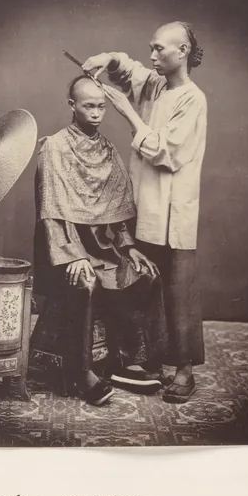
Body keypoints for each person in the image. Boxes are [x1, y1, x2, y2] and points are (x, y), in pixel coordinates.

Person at [81, 21, 208, 402]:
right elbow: (127, 68)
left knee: (177, 289)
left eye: (160, 49)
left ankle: (184, 370)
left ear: (182, 51)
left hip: (172, 208)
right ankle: (151, 362)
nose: (152, 56)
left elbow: (167, 153)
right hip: (144, 203)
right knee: (144, 284)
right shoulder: (154, 83)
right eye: (151, 48)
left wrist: (127, 113)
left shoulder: (193, 98)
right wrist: (107, 58)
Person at [31, 75, 161, 406]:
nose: (96, 113)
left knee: (145, 272)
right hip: (61, 248)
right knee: (85, 283)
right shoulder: (54, 148)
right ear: (72, 106)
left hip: (103, 247)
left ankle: (127, 360)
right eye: (89, 106)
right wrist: (72, 255)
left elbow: (117, 211)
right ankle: (82, 372)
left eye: (102, 107)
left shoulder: (108, 149)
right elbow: (50, 212)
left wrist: (129, 247)